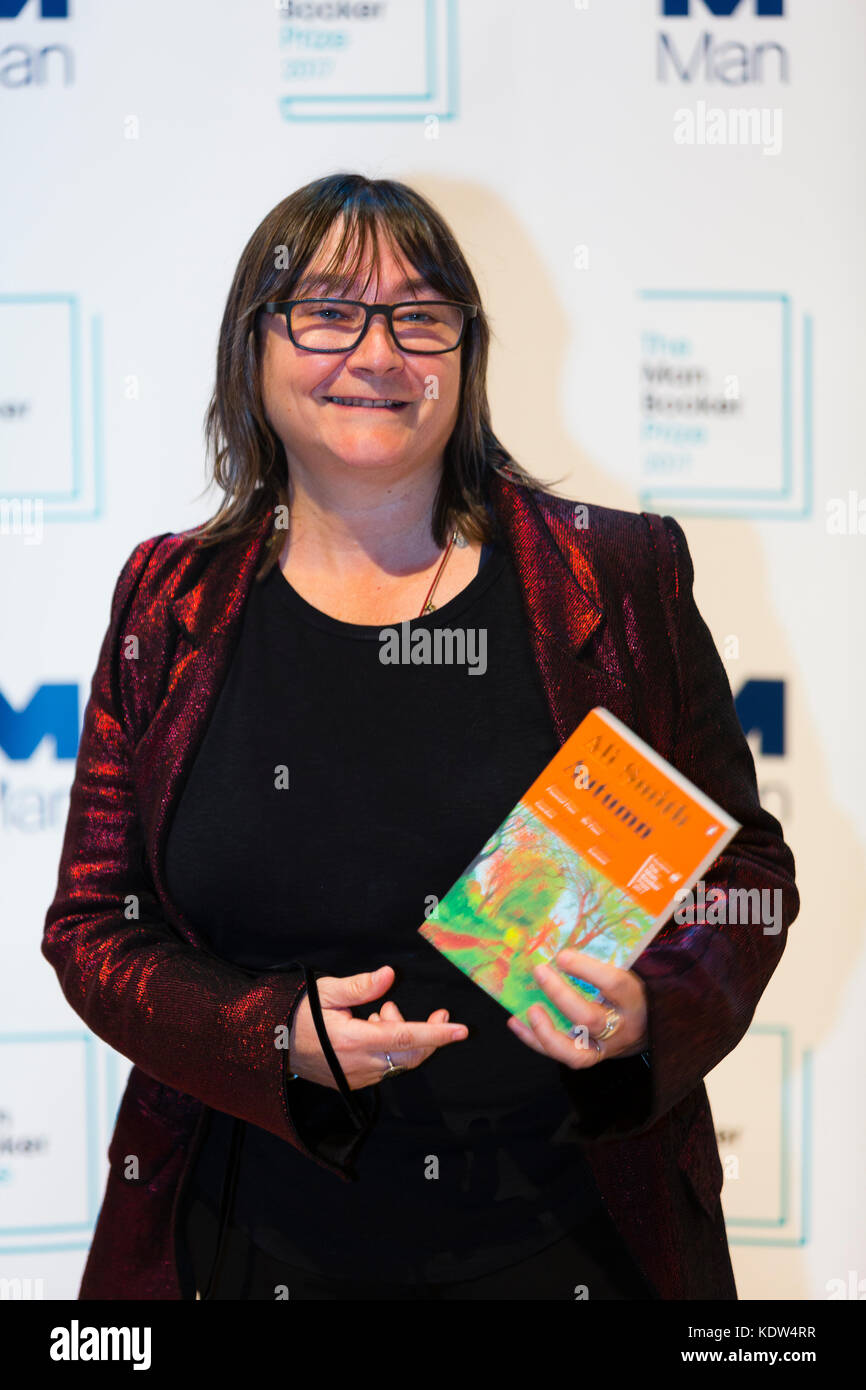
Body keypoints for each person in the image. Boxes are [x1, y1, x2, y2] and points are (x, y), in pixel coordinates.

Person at [42, 172, 799, 1301]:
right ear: (252, 345)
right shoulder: (171, 600)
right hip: (255, 1242)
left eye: (420, 314)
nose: (379, 351)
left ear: (465, 352)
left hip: (574, 1243)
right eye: (328, 310)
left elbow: (742, 876)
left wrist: (650, 1008)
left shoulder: (617, 575)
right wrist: (272, 1036)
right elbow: (95, 926)